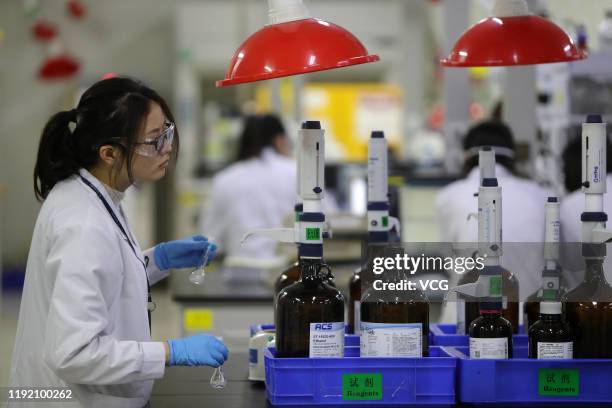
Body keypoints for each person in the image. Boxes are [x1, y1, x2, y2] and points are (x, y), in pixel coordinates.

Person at [9, 77, 228, 408]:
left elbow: (105, 277)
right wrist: (171, 352)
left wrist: (158, 260)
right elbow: (75, 353)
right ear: (109, 153)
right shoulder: (83, 223)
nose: (167, 146)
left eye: (167, 131)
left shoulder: (93, 193)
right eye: (154, 140)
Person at [435, 120, 551, 296]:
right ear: (513, 159)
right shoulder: (542, 197)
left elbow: (450, 260)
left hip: (465, 316)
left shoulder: (448, 197)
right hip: (526, 318)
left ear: (465, 159)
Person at [201, 114, 297, 266]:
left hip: (238, 274)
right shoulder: (297, 173)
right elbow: (326, 225)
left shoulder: (224, 179)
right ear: (279, 140)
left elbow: (211, 240)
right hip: (289, 276)